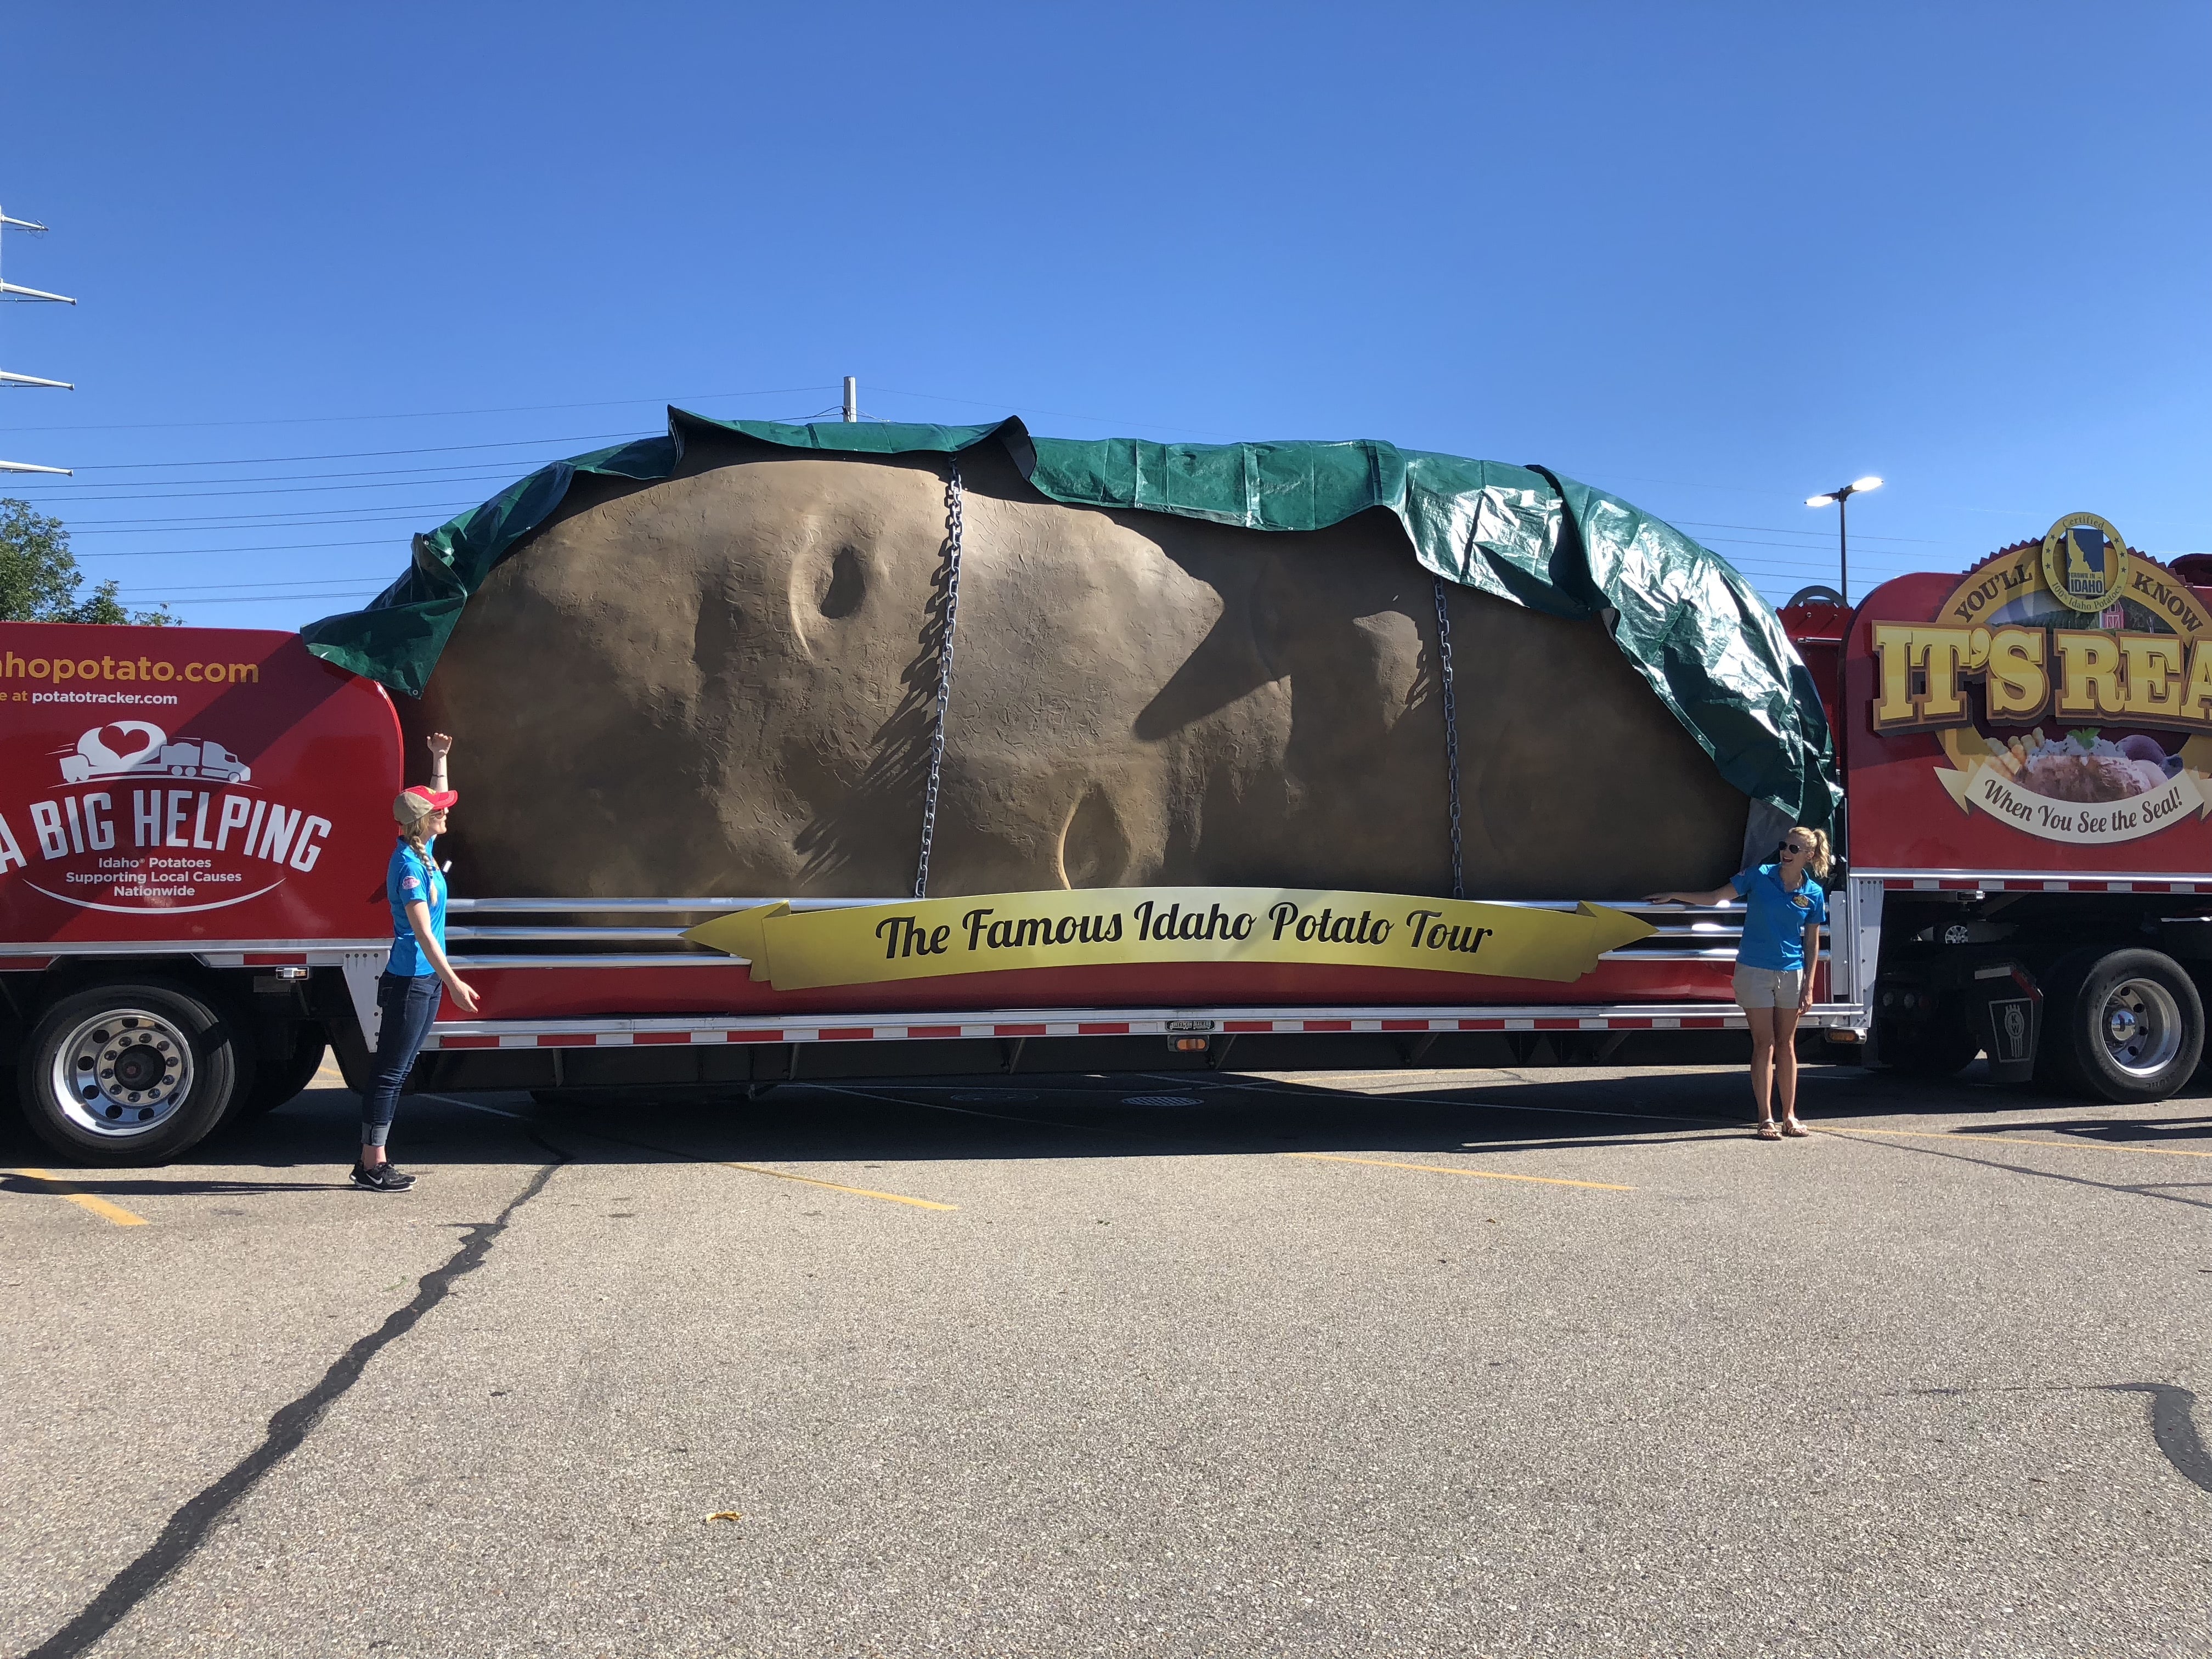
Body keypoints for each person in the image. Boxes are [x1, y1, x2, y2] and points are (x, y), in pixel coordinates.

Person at [353, 732, 478, 1192]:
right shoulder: (408, 866)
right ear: (422, 821)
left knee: (399, 1069)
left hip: (422, 982)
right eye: (439, 810)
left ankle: (373, 1160)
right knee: (390, 1071)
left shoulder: (422, 853)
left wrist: (439, 758)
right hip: (411, 982)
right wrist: (455, 983)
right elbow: (423, 935)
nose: (446, 812)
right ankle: (371, 1164)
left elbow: (433, 801)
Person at [1649, 828, 1832, 1141]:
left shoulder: (1813, 893)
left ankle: (1790, 1115)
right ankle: (1766, 1118)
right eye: (1784, 846)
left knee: (1787, 1045)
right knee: (1765, 1043)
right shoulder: (1759, 875)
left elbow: (1812, 941)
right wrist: (1676, 894)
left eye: (1794, 848)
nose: (1786, 852)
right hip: (1754, 971)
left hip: (1792, 972)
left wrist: (1810, 985)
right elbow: (1717, 897)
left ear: (1809, 856)